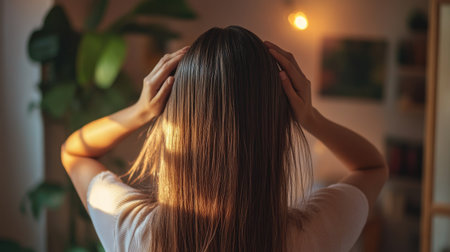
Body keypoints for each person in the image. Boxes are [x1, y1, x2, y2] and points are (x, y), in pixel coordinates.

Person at [61, 26, 388, 252]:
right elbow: (372, 167)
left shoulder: (136, 233)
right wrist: (309, 118)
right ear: (274, 129)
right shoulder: (312, 237)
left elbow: (76, 153)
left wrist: (139, 111)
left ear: (178, 124)